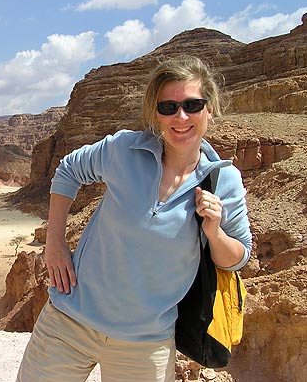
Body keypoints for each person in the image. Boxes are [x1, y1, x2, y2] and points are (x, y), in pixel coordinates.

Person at [16, 55, 252, 382]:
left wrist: (214, 233)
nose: (181, 117)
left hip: (145, 342)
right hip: (70, 321)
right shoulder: (125, 149)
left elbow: (237, 258)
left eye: (192, 105)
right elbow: (69, 170)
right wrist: (54, 242)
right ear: (156, 114)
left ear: (209, 109)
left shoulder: (224, 182)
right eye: (168, 107)